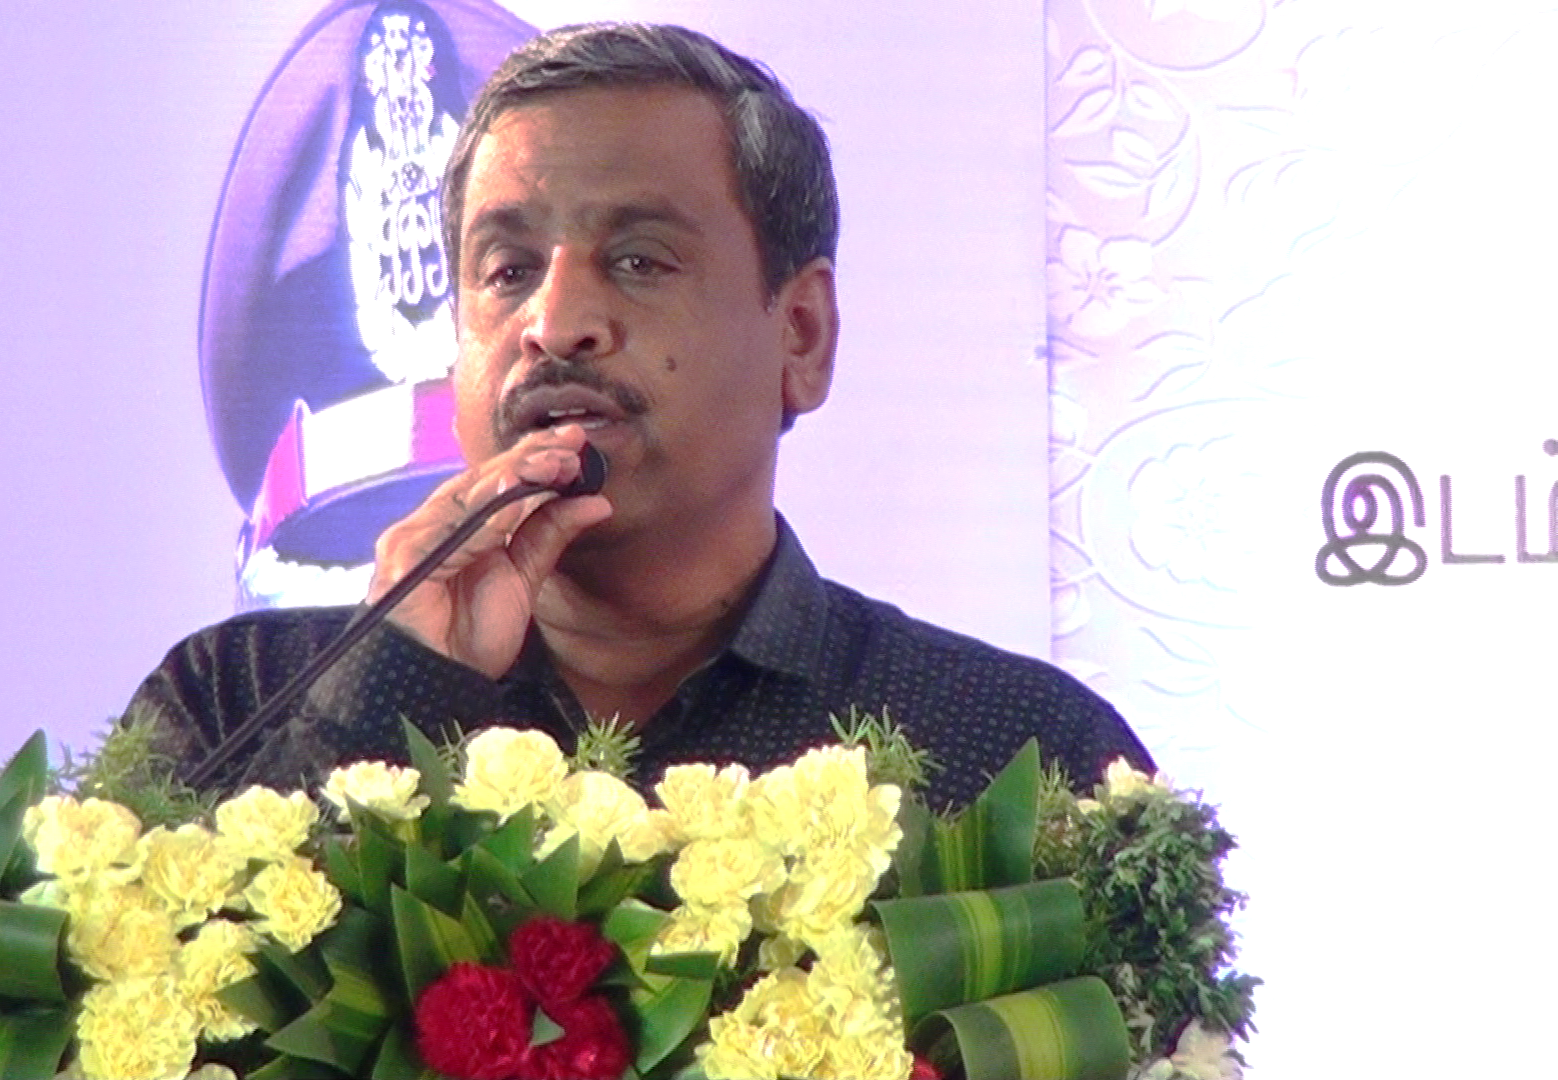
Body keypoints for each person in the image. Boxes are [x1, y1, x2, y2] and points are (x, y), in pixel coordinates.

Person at [128, 22, 1154, 809]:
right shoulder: (229, 701)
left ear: (801, 335)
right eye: (507, 269)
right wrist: (387, 693)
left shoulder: (1018, 754)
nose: (553, 324)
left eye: (638, 260)